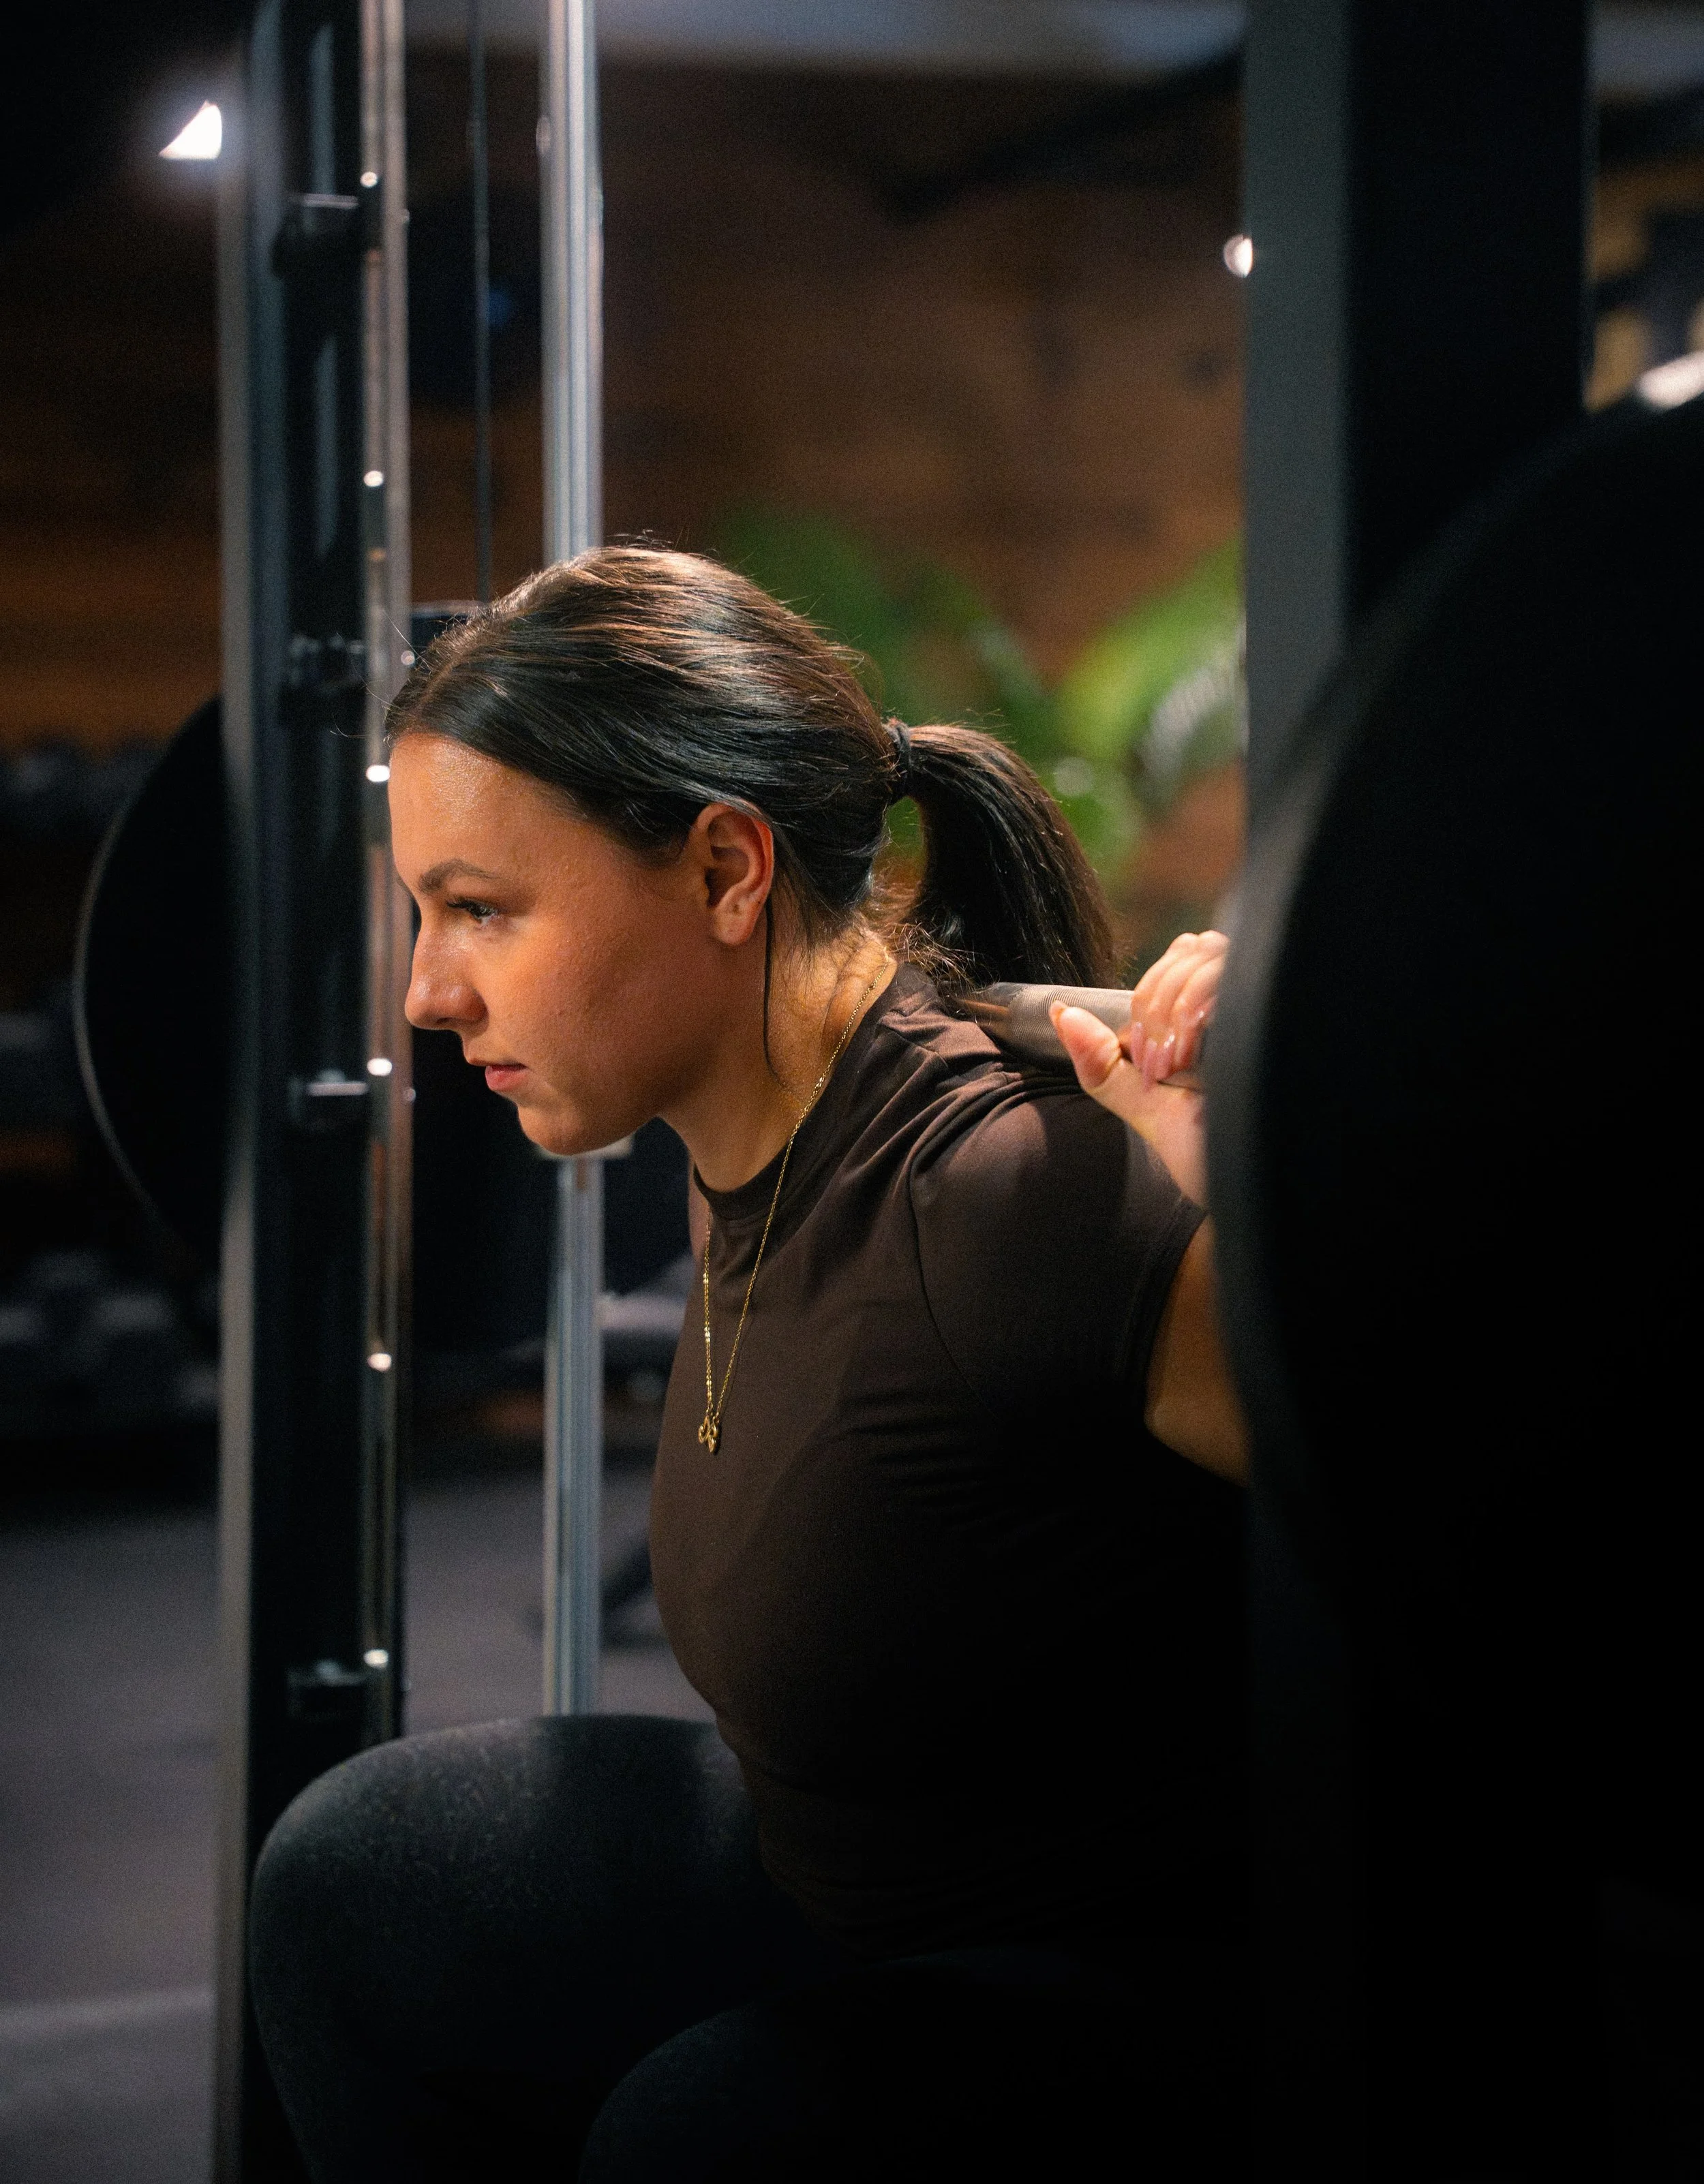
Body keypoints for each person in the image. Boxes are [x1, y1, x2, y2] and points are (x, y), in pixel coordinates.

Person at [247, 546, 1247, 2181]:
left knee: (708, 2133)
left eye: (480, 910)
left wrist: (1255, 1209)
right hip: (853, 1889)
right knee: (363, 1879)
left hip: (1149, 1985)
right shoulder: (764, 1146)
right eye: (425, 916)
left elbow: (1472, 1526)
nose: (427, 994)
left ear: (725, 869)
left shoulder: (1007, 1206)